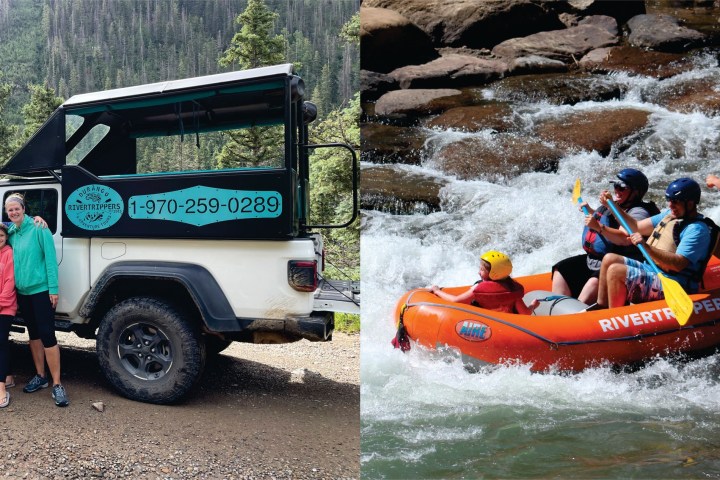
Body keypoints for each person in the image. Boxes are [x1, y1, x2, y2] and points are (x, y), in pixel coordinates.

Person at [596, 178, 714, 309]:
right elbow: (635, 226)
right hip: (653, 270)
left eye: (675, 201)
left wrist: (647, 248)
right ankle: (601, 308)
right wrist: (612, 206)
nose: (670, 205)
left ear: (690, 203)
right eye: (669, 200)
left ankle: (616, 320)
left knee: (616, 271)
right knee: (609, 259)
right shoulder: (670, 215)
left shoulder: (697, 230)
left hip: (674, 282)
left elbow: (678, 264)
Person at [552, 169, 659, 304]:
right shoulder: (616, 205)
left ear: (636, 192)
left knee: (593, 283)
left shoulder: (639, 212)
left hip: (618, 262)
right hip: (596, 260)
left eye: (622, 187)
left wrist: (597, 227)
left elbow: (623, 238)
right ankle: (557, 307)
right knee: (562, 268)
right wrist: (591, 210)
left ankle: (576, 316)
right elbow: (606, 219)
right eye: (615, 186)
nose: (617, 190)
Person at [5, 193, 69, 407]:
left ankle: (57, 384)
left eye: (17, 208)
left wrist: (54, 289)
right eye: (9, 209)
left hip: (41, 291)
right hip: (23, 293)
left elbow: (50, 261)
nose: (13, 212)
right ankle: (40, 376)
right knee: (33, 334)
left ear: (24, 208)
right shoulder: (12, 232)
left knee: (47, 334)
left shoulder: (39, 228)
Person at [429, 250, 539, 314]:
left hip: (483, 323)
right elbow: (525, 313)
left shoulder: (478, 288)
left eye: (482, 270)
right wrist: (533, 306)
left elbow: (456, 301)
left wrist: (437, 291)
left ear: (493, 273)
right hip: (507, 324)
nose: (479, 272)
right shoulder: (512, 290)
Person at [0, 223, 16, 408]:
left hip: (5, 305)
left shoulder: (9, 253)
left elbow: (10, 281)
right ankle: (9, 376)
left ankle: (2, 388)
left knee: (1, 341)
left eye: (2, 236)